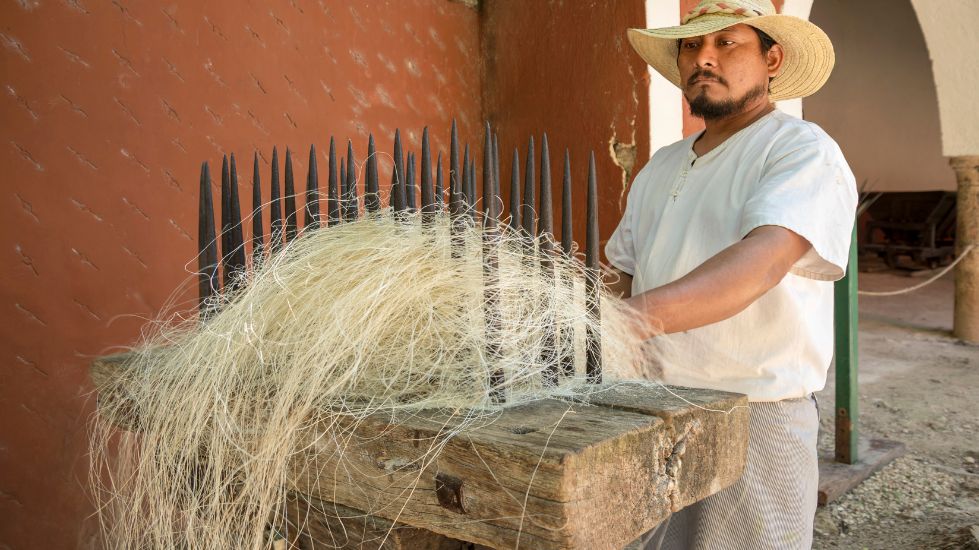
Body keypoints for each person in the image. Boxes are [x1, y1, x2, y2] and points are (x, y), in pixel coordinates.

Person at [606, 1, 857, 548]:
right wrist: (586, 312)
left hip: (755, 415)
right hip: (650, 409)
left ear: (772, 59)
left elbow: (763, 260)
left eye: (726, 43)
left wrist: (627, 322)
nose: (704, 58)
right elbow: (622, 268)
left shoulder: (800, 150)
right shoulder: (661, 166)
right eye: (691, 46)